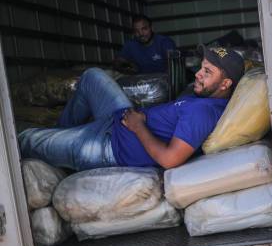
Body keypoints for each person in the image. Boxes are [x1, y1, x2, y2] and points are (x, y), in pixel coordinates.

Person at [19, 47, 244, 171]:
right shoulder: (205, 99)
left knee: (26, 139)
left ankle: (60, 144)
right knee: (92, 77)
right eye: (201, 68)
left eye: (207, 72)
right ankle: (62, 133)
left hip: (108, 145)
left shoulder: (203, 112)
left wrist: (138, 127)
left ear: (225, 84)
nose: (197, 74)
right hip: (118, 119)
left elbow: (169, 160)